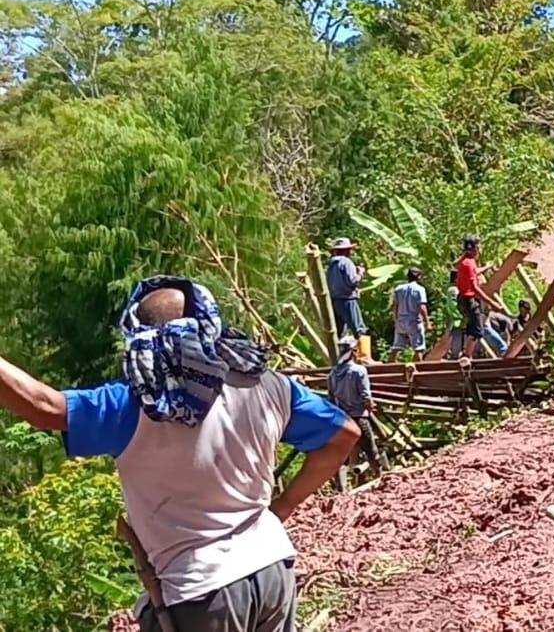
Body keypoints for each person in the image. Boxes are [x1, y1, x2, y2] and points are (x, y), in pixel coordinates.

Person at [0, 276, 358, 632]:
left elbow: (44, 407)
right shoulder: (269, 386)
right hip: (272, 568)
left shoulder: (134, 406)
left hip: (201, 591)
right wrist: (282, 507)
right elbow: (343, 435)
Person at [328, 336, 387, 488]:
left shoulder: (333, 373)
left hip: (342, 419)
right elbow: (365, 395)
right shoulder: (359, 371)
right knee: (371, 450)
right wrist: (370, 406)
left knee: (341, 454)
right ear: (354, 352)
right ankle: (382, 480)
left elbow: (331, 397)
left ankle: (341, 487)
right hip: (359, 417)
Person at [454, 236, 507, 361]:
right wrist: (492, 303)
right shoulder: (469, 263)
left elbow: (473, 272)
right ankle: (467, 356)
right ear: (476, 248)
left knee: (473, 328)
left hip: (464, 299)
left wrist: (486, 267)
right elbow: (475, 288)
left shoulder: (466, 262)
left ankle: (467, 354)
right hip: (468, 300)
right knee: (477, 329)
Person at [326, 237, 366, 342]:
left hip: (335, 299)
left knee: (341, 331)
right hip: (348, 299)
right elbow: (352, 281)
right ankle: (364, 355)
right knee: (359, 329)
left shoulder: (331, 264)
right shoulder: (346, 262)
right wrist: (360, 273)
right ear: (347, 250)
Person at [389, 267, 430, 356]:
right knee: (418, 348)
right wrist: (427, 322)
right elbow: (422, 307)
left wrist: (395, 319)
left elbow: (395, 305)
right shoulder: (420, 289)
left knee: (396, 348)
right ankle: (418, 368)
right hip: (414, 321)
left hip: (401, 320)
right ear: (419, 277)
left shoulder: (399, 288)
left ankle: (390, 367)